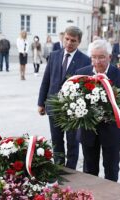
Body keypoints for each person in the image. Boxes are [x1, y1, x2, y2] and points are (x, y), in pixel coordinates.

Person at [75, 39, 120, 182]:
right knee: (89, 171)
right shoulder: (81, 73)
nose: (97, 61)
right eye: (94, 57)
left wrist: (104, 114)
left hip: (111, 132)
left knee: (111, 170)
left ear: (110, 57)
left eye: (101, 57)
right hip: (88, 132)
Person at [38, 26, 91, 169]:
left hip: (73, 110)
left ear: (79, 42)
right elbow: (46, 80)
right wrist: (41, 102)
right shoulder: (54, 55)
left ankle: (71, 169)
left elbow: (87, 87)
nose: (69, 43)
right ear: (63, 38)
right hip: (53, 106)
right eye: (66, 39)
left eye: (73, 40)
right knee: (56, 140)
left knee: (72, 141)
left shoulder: (85, 60)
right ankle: (59, 167)